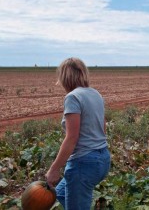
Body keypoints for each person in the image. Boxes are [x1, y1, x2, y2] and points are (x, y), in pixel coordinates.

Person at [46, 57, 110, 210]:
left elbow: (71, 138)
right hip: (103, 159)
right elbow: (103, 129)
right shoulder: (96, 94)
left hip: (84, 163)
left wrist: (54, 169)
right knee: (61, 193)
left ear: (65, 77)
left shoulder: (73, 97)